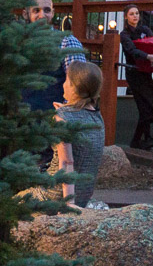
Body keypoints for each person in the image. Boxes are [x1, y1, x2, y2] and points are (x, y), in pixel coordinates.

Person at [37, 60, 106, 208]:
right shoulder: (97, 117)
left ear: (75, 88)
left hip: (55, 194)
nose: (63, 84)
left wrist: (69, 204)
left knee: (12, 204)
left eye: (67, 80)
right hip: (84, 195)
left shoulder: (62, 116)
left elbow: (66, 162)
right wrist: (66, 109)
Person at [22, 0, 88, 113]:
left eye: (47, 10)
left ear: (52, 13)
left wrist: (62, 117)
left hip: (52, 120)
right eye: (36, 10)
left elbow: (78, 88)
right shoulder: (16, 43)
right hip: (16, 120)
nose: (42, 15)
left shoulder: (67, 42)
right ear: (25, 14)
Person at [119, 4, 153, 149]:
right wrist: (147, 56)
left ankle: (139, 141)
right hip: (134, 72)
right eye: (131, 14)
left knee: (149, 103)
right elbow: (132, 50)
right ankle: (143, 139)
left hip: (146, 72)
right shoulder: (124, 34)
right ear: (126, 16)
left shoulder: (144, 29)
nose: (135, 16)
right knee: (145, 107)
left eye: (137, 13)